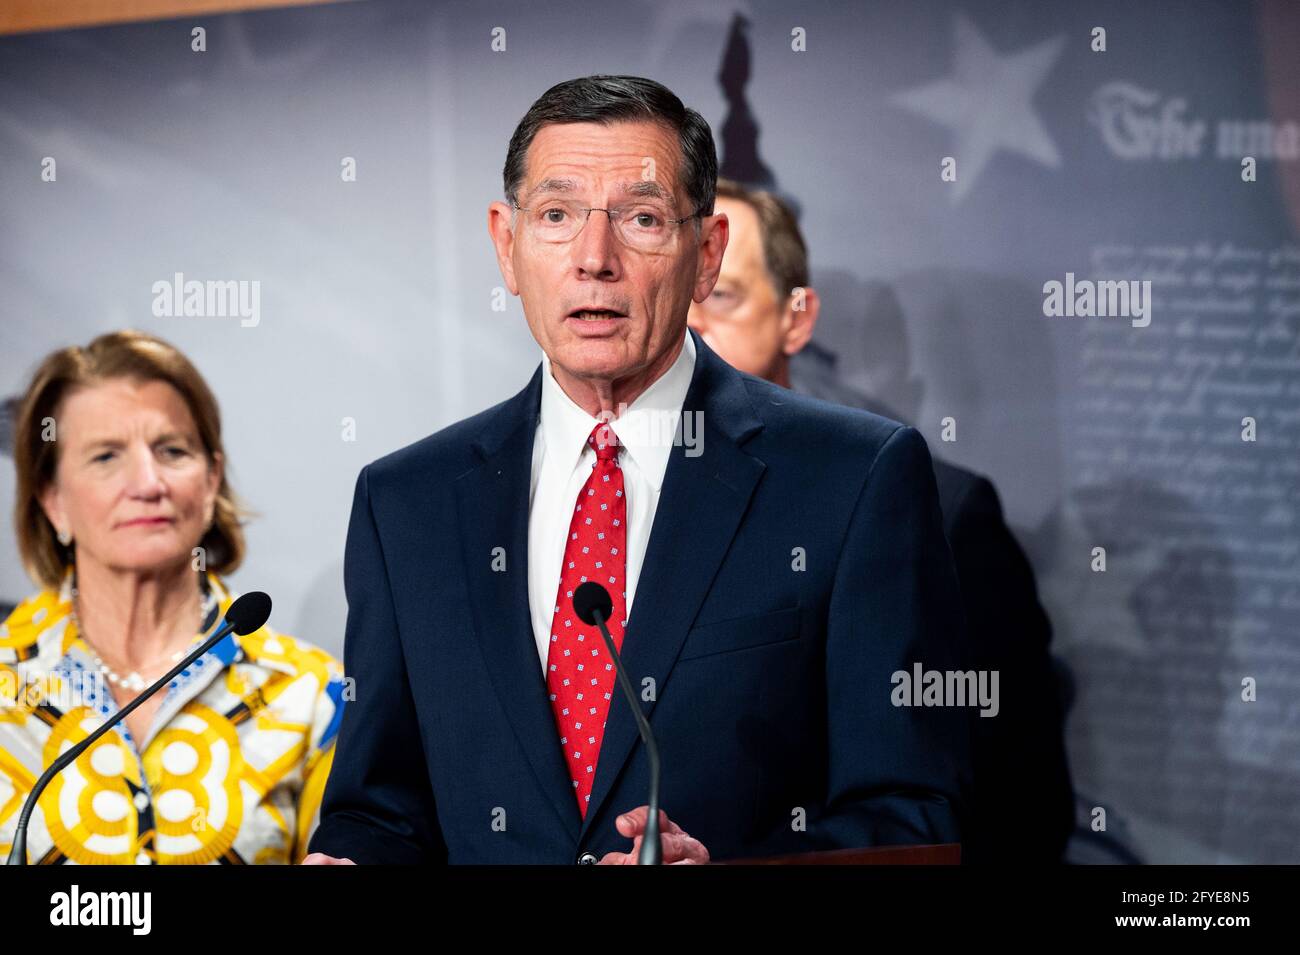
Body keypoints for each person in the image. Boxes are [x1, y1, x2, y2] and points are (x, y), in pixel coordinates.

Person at [305, 75, 970, 865]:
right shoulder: (406, 503)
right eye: (556, 216)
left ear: (706, 256)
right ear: (506, 244)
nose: (595, 259)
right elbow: (377, 814)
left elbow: (912, 817)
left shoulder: (854, 478)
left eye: (643, 220)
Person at [686, 178, 1075, 863]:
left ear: (797, 318)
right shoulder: (609, 506)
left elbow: (1017, 806)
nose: (689, 323)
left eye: (720, 295)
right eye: (672, 298)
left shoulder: (944, 513)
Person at [1, 330, 346, 864]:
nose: (147, 482)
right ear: (53, 502)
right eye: (106, 457)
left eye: (172, 451)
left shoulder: (310, 695)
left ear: (211, 483)